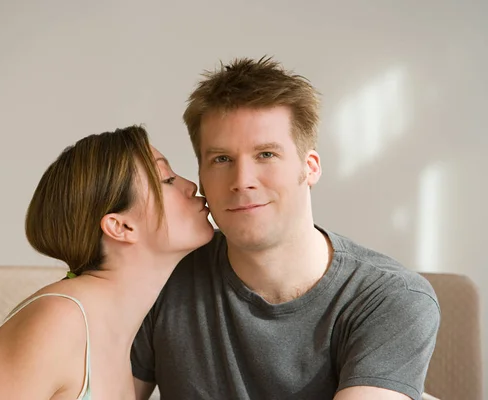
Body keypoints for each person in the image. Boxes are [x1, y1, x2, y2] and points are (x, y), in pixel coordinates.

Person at [131, 57, 440, 400]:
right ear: (201, 175)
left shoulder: (391, 298)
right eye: (221, 159)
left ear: (310, 168)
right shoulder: (163, 277)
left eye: (265, 154)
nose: (242, 181)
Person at [0, 125, 214, 400]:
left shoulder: (113, 331)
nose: (191, 186)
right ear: (120, 226)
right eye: (166, 179)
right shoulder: (58, 322)